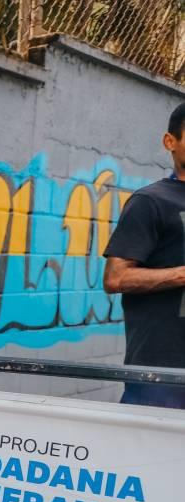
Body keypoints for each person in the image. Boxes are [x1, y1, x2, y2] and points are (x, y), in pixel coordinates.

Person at [103, 100, 185, 409]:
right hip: (163, 379)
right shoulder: (150, 201)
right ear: (170, 142)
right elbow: (116, 277)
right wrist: (181, 274)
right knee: (144, 457)